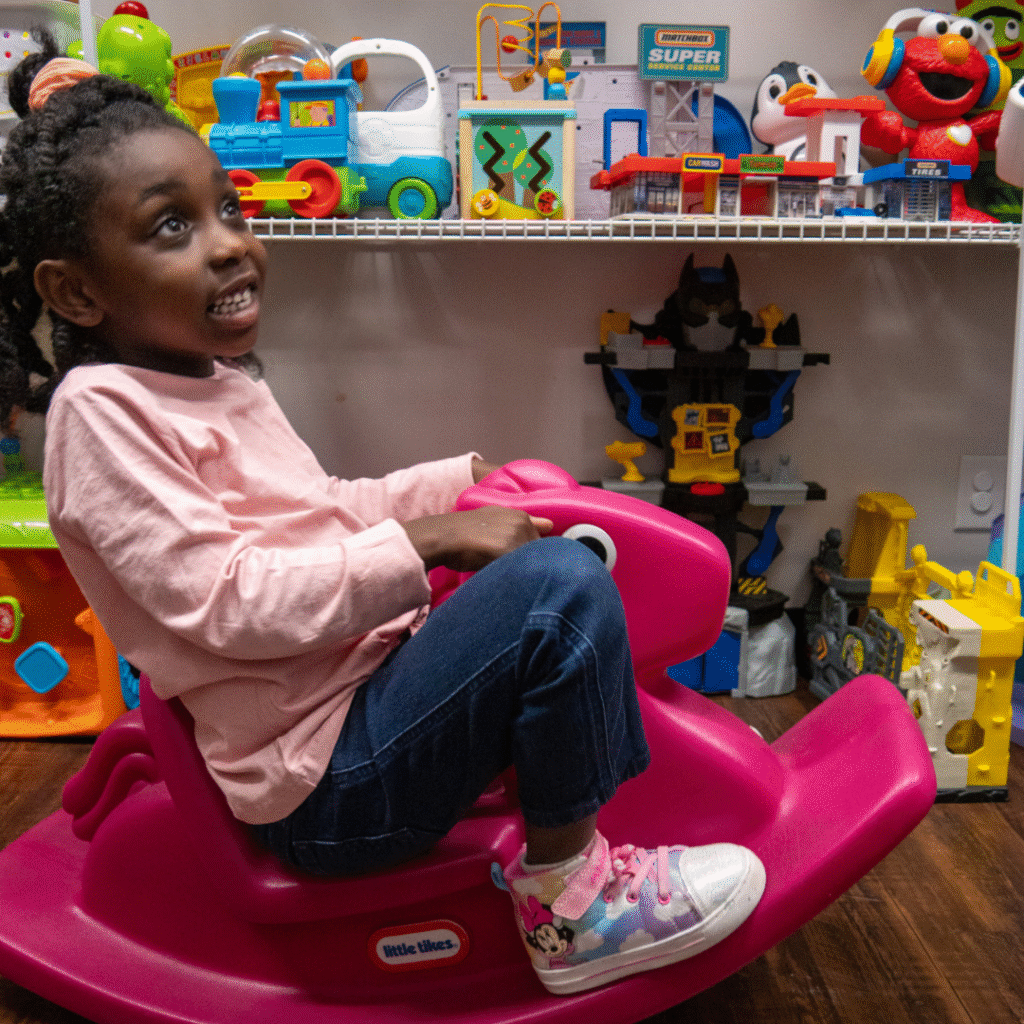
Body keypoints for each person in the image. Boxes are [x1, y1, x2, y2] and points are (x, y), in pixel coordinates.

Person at [0, 36, 765, 997]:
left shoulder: (213, 382)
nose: (229, 243)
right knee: (557, 593)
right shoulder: (102, 415)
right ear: (76, 290)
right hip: (328, 785)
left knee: (540, 549)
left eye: (228, 208)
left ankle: (586, 820)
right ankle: (576, 908)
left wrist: (452, 485)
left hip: (358, 706)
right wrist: (428, 539)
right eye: (171, 228)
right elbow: (227, 601)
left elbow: (318, 514)